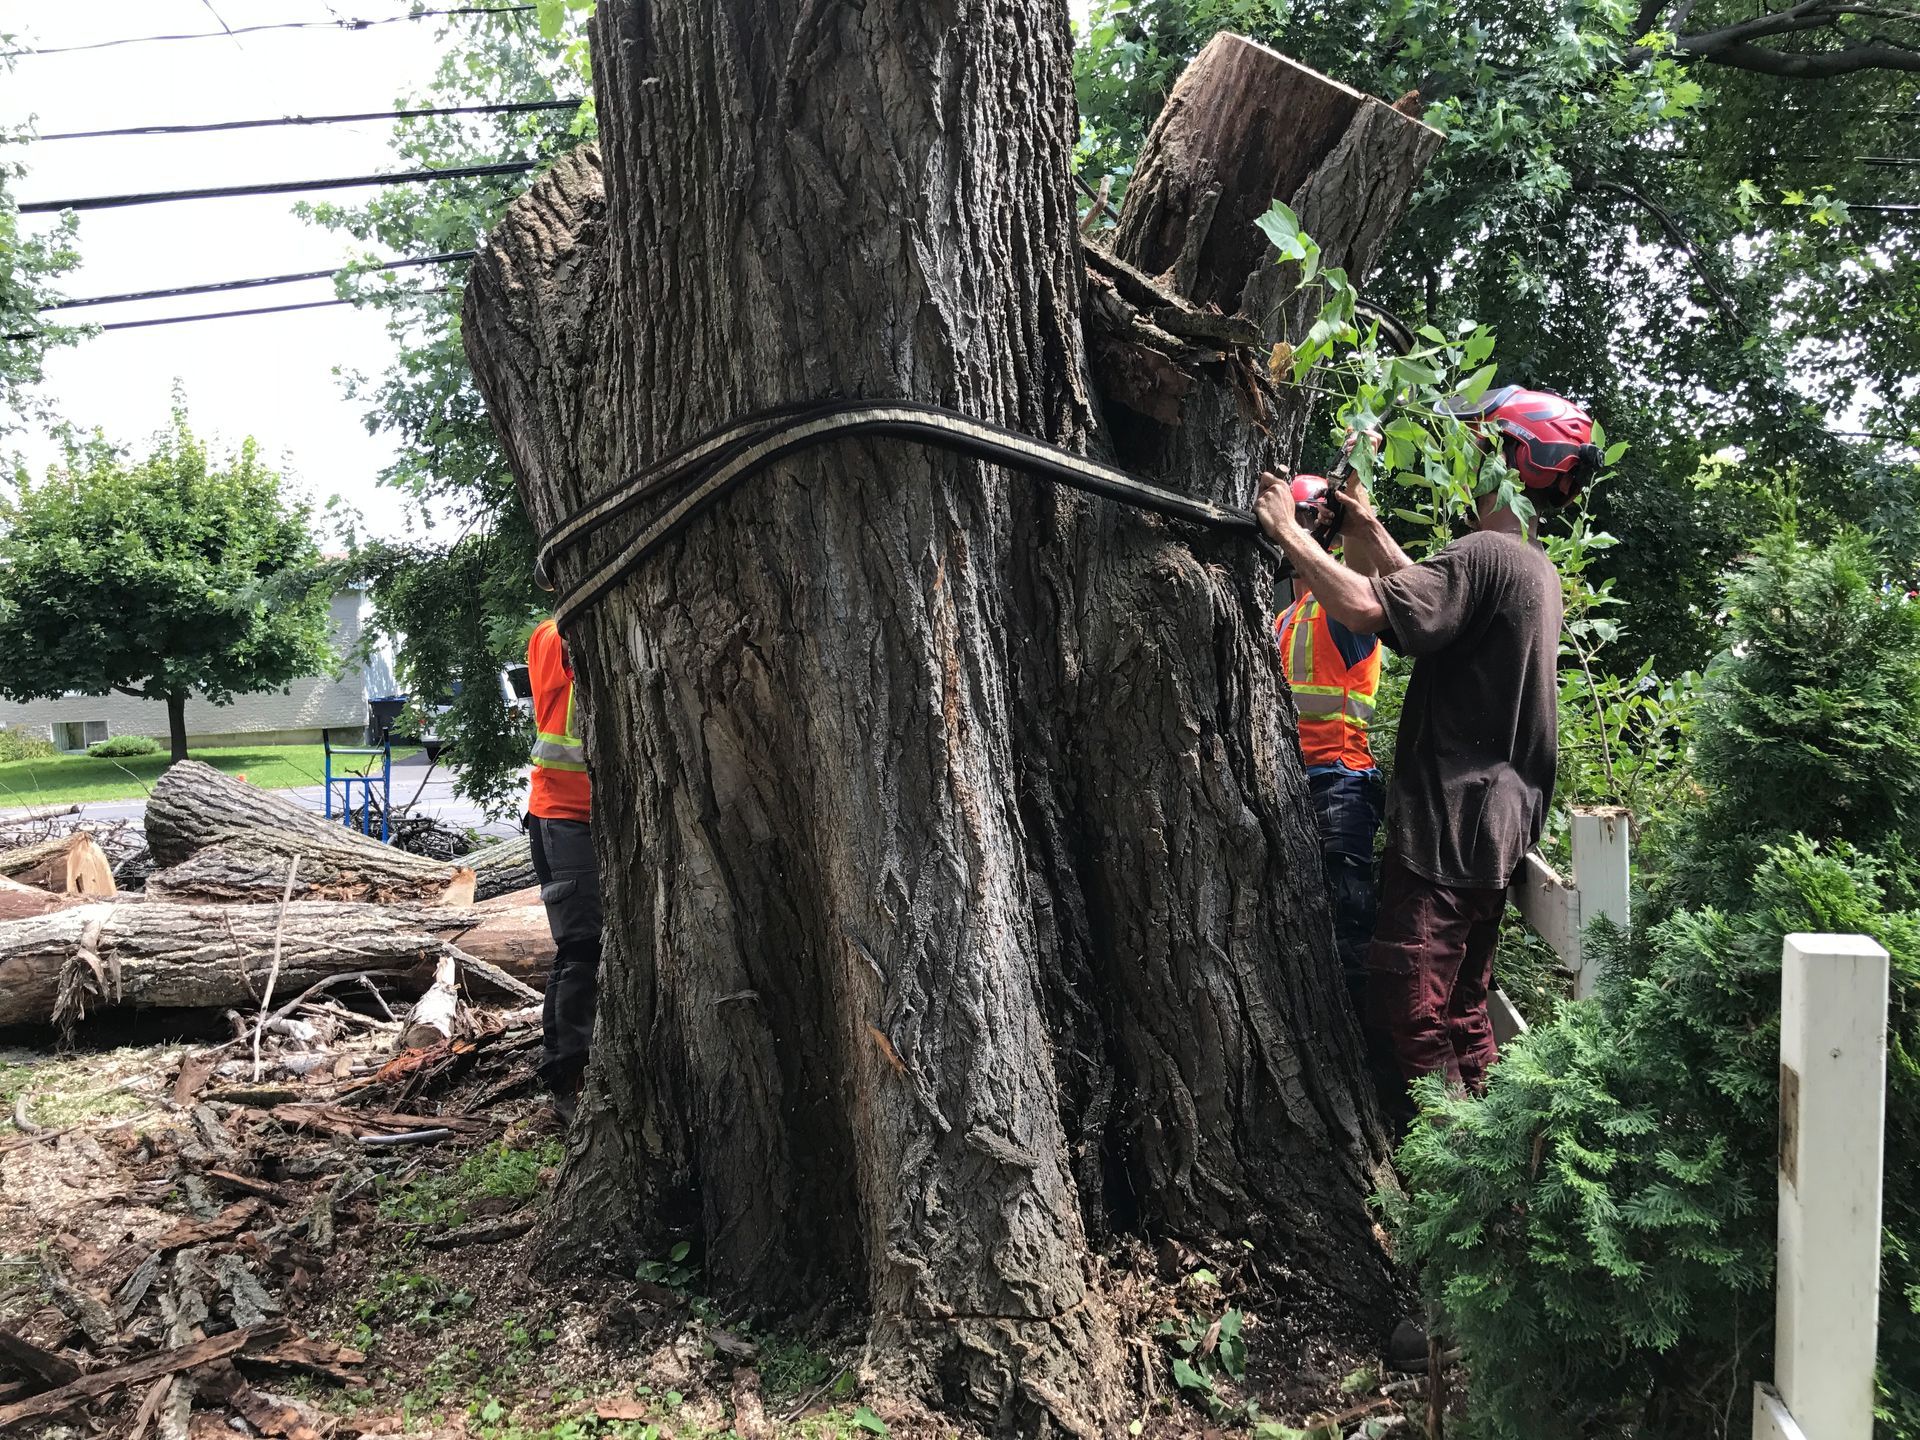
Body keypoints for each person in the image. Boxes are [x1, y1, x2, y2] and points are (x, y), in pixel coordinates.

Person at [1255, 388, 1602, 1098]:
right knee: (1464, 1009)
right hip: (1495, 825)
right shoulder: (1529, 567)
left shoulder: (1482, 554)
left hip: (1452, 821)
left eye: (1478, 446)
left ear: (1513, 457)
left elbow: (1365, 604)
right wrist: (1363, 522)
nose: (1465, 459)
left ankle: (1449, 1166)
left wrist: (1289, 534)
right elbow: (1420, 589)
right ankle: (1494, 1159)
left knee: (1410, 1005)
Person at [1273, 474, 1385, 1023]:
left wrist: (1356, 500)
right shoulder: (1286, 617)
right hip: (1298, 780)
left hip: (1339, 780)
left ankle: (1368, 1049)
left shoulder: (1340, 608)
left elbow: (1365, 578)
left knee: (1347, 925)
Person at [525, 614, 602, 1120]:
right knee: (580, 947)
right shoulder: (552, 637)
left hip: (605, 816)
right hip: (563, 818)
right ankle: (565, 1077)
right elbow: (573, 641)